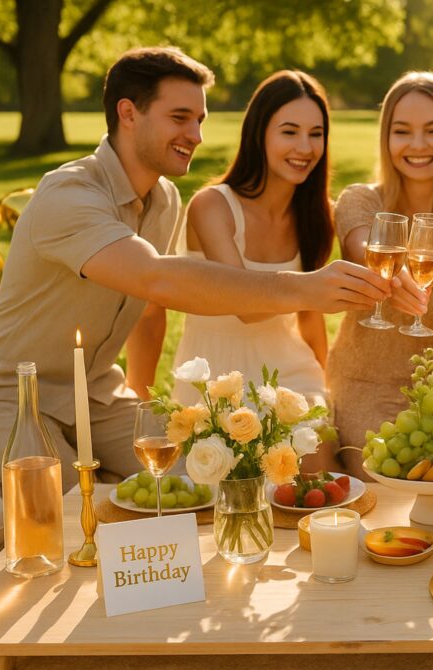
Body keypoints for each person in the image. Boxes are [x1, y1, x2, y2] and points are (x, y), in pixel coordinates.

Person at [0, 48, 392, 492]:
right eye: (180, 117)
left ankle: (43, 468)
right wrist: (304, 288)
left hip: (95, 397)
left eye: (200, 119)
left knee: (202, 482)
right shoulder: (69, 194)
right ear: (128, 113)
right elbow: (156, 277)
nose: (195, 134)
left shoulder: (164, 201)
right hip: (7, 396)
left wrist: (139, 399)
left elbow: (147, 311)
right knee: (68, 501)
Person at [142, 71, 339, 471]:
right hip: (215, 383)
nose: (305, 147)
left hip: (292, 378)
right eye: (289, 132)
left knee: (317, 482)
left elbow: (309, 317)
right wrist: (316, 288)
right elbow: (243, 301)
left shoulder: (317, 214)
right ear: (259, 134)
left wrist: (328, 383)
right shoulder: (212, 205)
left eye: (316, 134)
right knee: (230, 498)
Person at [326, 71, 433, 477]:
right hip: (366, 378)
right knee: (380, 474)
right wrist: (400, 274)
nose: (418, 145)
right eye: (402, 131)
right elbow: (364, 247)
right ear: (386, 138)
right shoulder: (359, 200)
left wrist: (432, 390)